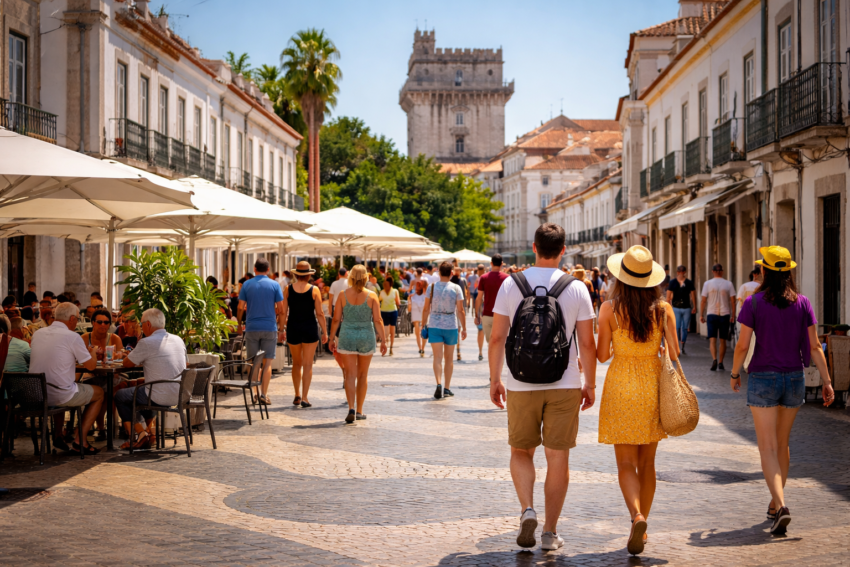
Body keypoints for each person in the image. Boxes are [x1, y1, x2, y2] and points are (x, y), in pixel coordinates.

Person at [488, 223, 596, 551]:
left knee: (521, 451)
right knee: (557, 457)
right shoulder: (577, 288)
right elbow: (587, 344)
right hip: (564, 382)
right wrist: (590, 384)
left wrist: (495, 379)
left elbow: (497, 337)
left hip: (520, 383)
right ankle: (549, 533)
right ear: (563, 250)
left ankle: (527, 509)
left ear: (534, 247)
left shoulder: (511, 284)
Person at [731, 246, 835, 535]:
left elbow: (742, 345)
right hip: (793, 378)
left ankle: (781, 505)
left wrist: (735, 373)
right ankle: (774, 505)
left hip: (763, 378)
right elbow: (814, 347)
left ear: (764, 271)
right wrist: (827, 381)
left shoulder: (753, 303)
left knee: (767, 447)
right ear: (789, 272)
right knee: (782, 444)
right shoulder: (803, 303)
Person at [597, 245, 675, 555]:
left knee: (626, 463)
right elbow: (674, 353)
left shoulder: (609, 309)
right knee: (648, 463)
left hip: (621, 384)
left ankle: (636, 516)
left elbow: (602, 355)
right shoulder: (663, 308)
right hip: (652, 384)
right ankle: (642, 530)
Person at [29, 302, 101, 454]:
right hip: (59, 394)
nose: (77, 322)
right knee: (100, 393)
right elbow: (91, 366)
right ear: (72, 319)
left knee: (60, 382)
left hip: (36, 394)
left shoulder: (38, 334)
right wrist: (93, 352)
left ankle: (58, 435)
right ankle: (80, 441)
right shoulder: (72, 336)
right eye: (78, 319)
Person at [119, 308, 188, 450]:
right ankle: (150, 433)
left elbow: (127, 364)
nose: (140, 326)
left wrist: (128, 355)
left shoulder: (146, 342)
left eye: (141, 324)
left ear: (148, 324)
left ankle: (140, 435)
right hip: (180, 394)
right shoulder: (178, 339)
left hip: (158, 395)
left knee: (120, 395)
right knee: (143, 387)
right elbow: (185, 365)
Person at [329, 265, 387, 423]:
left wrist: (331, 338)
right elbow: (378, 320)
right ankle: (360, 410)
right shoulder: (372, 295)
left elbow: (336, 319)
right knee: (362, 375)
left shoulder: (343, 295)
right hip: (366, 336)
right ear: (366, 277)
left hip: (347, 335)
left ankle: (351, 408)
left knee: (349, 375)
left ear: (351, 277)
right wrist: (383, 340)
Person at [239, 258, 290, 406]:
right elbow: (281, 310)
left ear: (254, 269)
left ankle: (255, 393)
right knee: (268, 363)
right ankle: (264, 394)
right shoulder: (275, 285)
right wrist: (281, 328)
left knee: (253, 362)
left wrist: (239, 324)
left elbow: (240, 307)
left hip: (252, 327)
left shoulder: (247, 284)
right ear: (268, 270)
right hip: (269, 327)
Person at [280, 261, 328, 408]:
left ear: (296, 274)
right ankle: (305, 397)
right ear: (308, 275)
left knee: (296, 363)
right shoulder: (314, 290)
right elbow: (320, 313)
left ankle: (297, 395)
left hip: (293, 328)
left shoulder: (288, 289)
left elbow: (283, 312)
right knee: (307, 364)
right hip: (309, 328)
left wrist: (281, 329)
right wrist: (325, 331)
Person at [421, 262, 466, 399]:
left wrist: (423, 324)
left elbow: (426, 308)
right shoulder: (456, 288)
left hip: (434, 325)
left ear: (439, 272)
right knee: (449, 358)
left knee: (437, 357)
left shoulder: (431, 287)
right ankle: (447, 388)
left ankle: (438, 383)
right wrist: (464, 328)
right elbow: (460, 310)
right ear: (451, 273)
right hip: (451, 326)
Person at [700, 263, 736, 371]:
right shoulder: (728, 284)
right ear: (722, 272)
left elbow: (703, 300)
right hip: (725, 314)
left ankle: (714, 359)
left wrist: (701, 314)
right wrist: (733, 315)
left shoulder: (707, 284)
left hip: (711, 313)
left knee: (712, 340)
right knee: (723, 340)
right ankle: (721, 362)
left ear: (713, 271)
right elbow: (733, 301)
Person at [475, 254, 509, 349]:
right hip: (503, 316)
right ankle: (500, 359)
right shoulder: (507, 278)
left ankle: (492, 359)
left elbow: (479, 298)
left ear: (491, 263)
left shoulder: (483, 278)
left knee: (491, 344)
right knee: (501, 344)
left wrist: (477, 315)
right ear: (501, 264)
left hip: (487, 315)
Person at [666, 265, 697, 355]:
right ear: (677, 272)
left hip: (686, 307)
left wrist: (694, 306)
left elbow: (693, 295)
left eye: (682, 272)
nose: (681, 273)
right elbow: (668, 296)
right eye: (679, 272)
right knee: (677, 327)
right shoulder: (673, 282)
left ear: (685, 272)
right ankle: (677, 346)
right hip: (676, 307)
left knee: (685, 327)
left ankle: (682, 344)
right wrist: (668, 308)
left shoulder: (689, 282)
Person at [379, 276, 400, 356]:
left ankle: (390, 346)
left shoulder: (394, 291)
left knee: (390, 330)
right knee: (388, 331)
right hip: (386, 312)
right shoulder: (383, 292)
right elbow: (378, 301)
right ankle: (387, 346)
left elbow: (397, 302)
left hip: (390, 311)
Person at [410, 280, 428, 357]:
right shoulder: (412, 296)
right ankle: (420, 348)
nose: (417, 287)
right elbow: (409, 308)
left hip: (422, 315)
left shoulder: (425, 296)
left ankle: (422, 348)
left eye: (418, 286)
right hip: (416, 315)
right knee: (418, 333)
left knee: (423, 333)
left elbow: (427, 308)